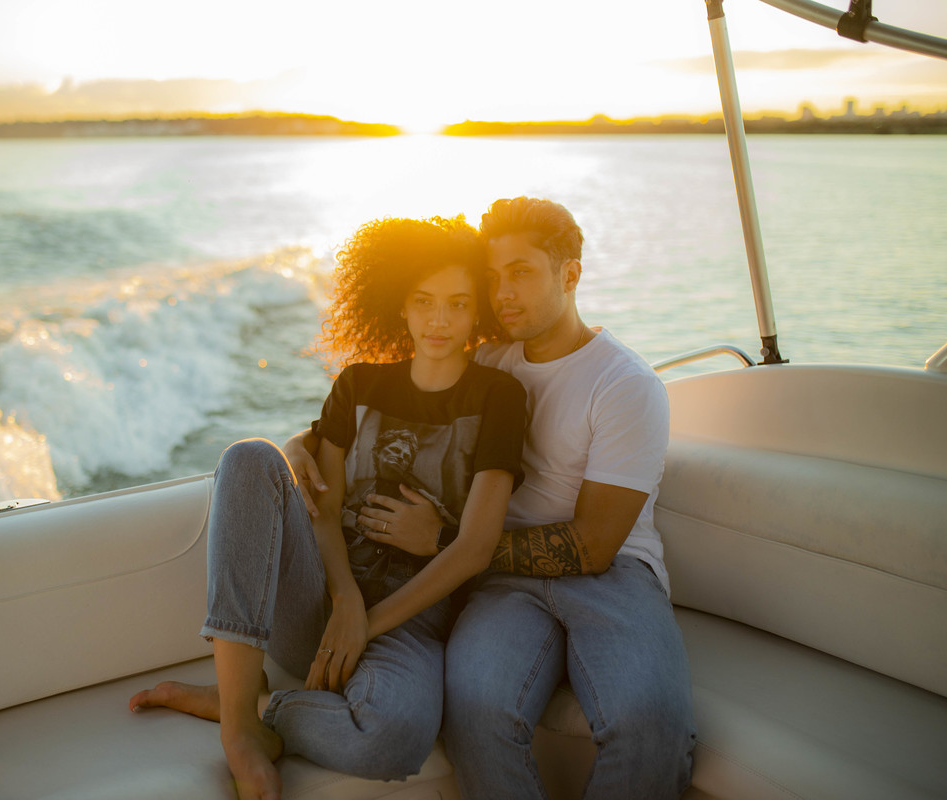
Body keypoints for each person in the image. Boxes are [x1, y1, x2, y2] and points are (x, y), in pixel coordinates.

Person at [286, 197, 697, 799]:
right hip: (500, 587)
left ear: (571, 274)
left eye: (522, 273)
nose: (503, 293)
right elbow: (383, 399)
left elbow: (593, 547)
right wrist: (303, 441)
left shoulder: (625, 386)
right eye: (494, 277)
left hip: (614, 576)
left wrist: (446, 541)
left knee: (650, 725)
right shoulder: (487, 359)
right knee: (476, 716)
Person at [128, 215, 527, 800]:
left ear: (477, 312)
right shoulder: (359, 385)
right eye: (423, 301)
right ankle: (241, 729)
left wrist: (366, 623)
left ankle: (259, 704)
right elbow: (323, 506)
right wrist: (343, 599)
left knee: (392, 740)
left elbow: (474, 547)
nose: (439, 320)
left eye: (458, 304)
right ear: (400, 306)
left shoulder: (499, 398)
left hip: (410, 625)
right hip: (318, 606)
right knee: (248, 458)